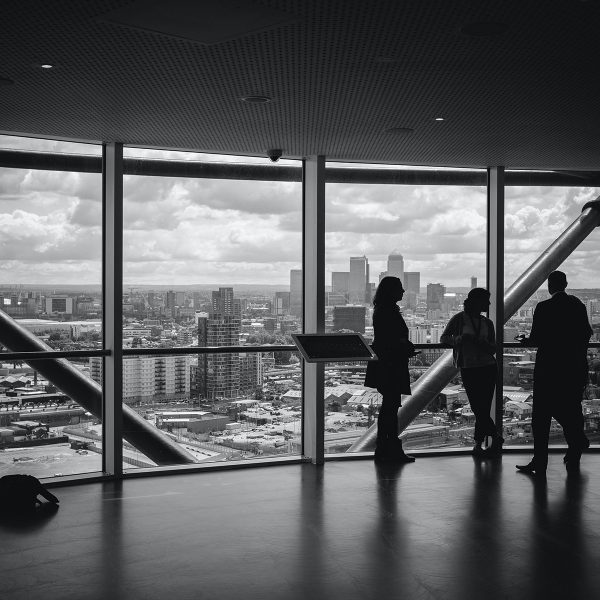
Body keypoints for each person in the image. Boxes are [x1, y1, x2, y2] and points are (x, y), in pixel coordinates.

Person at [516, 271, 592, 476]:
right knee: (572, 409)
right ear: (566, 284)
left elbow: (536, 340)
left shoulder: (544, 307)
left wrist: (524, 341)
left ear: (550, 286)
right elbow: (586, 334)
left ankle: (540, 462)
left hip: (548, 369)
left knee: (541, 417)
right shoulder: (578, 306)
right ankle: (575, 447)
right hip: (573, 368)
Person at [440, 288, 503, 456]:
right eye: (486, 301)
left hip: (486, 367)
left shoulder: (487, 323)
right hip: (472, 367)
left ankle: (479, 443)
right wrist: (461, 339)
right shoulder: (459, 319)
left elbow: (493, 348)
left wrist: (479, 342)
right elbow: (444, 338)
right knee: (478, 407)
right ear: (477, 302)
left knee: (481, 407)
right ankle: (494, 436)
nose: (489, 304)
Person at [365, 276, 417, 462]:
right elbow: (392, 339)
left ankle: (384, 448)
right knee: (390, 408)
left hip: (385, 364)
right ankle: (390, 448)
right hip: (391, 365)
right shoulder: (388, 311)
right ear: (392, 291)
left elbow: (385, 338)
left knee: (389, 407)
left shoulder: (381, 310)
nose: (403, 292)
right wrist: (405, 346)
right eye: (400, 288)